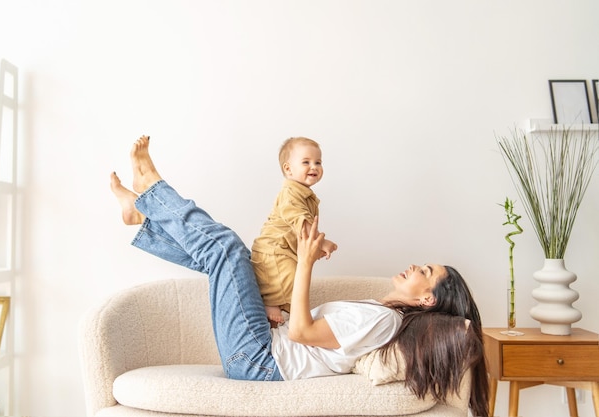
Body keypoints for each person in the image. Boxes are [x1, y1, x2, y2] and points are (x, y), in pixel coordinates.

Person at [110, 135, 489, 417]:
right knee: (234, 258)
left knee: (224, 247)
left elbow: (302, 335)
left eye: (424, 272)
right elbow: (309, 337)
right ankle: (142, 216)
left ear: (427, 299)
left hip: (260, 361)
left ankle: (151, 191)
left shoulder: (382, 320)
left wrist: (305, 262)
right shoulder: (379, 312)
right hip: (262, 347)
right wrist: (276, 306)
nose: (414, 266)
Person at [251, 137, 337, 325]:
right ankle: (269, 302)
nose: (314, 167)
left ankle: (275, 309)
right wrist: (320, 241)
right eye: (306, 162)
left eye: (318, 162)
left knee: (295, 281)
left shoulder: (304, 194)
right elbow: (299, 220)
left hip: (283, 251)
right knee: (293, 283)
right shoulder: (291, 193)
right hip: (273, 251)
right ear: (288, 169)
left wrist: (314, 248)